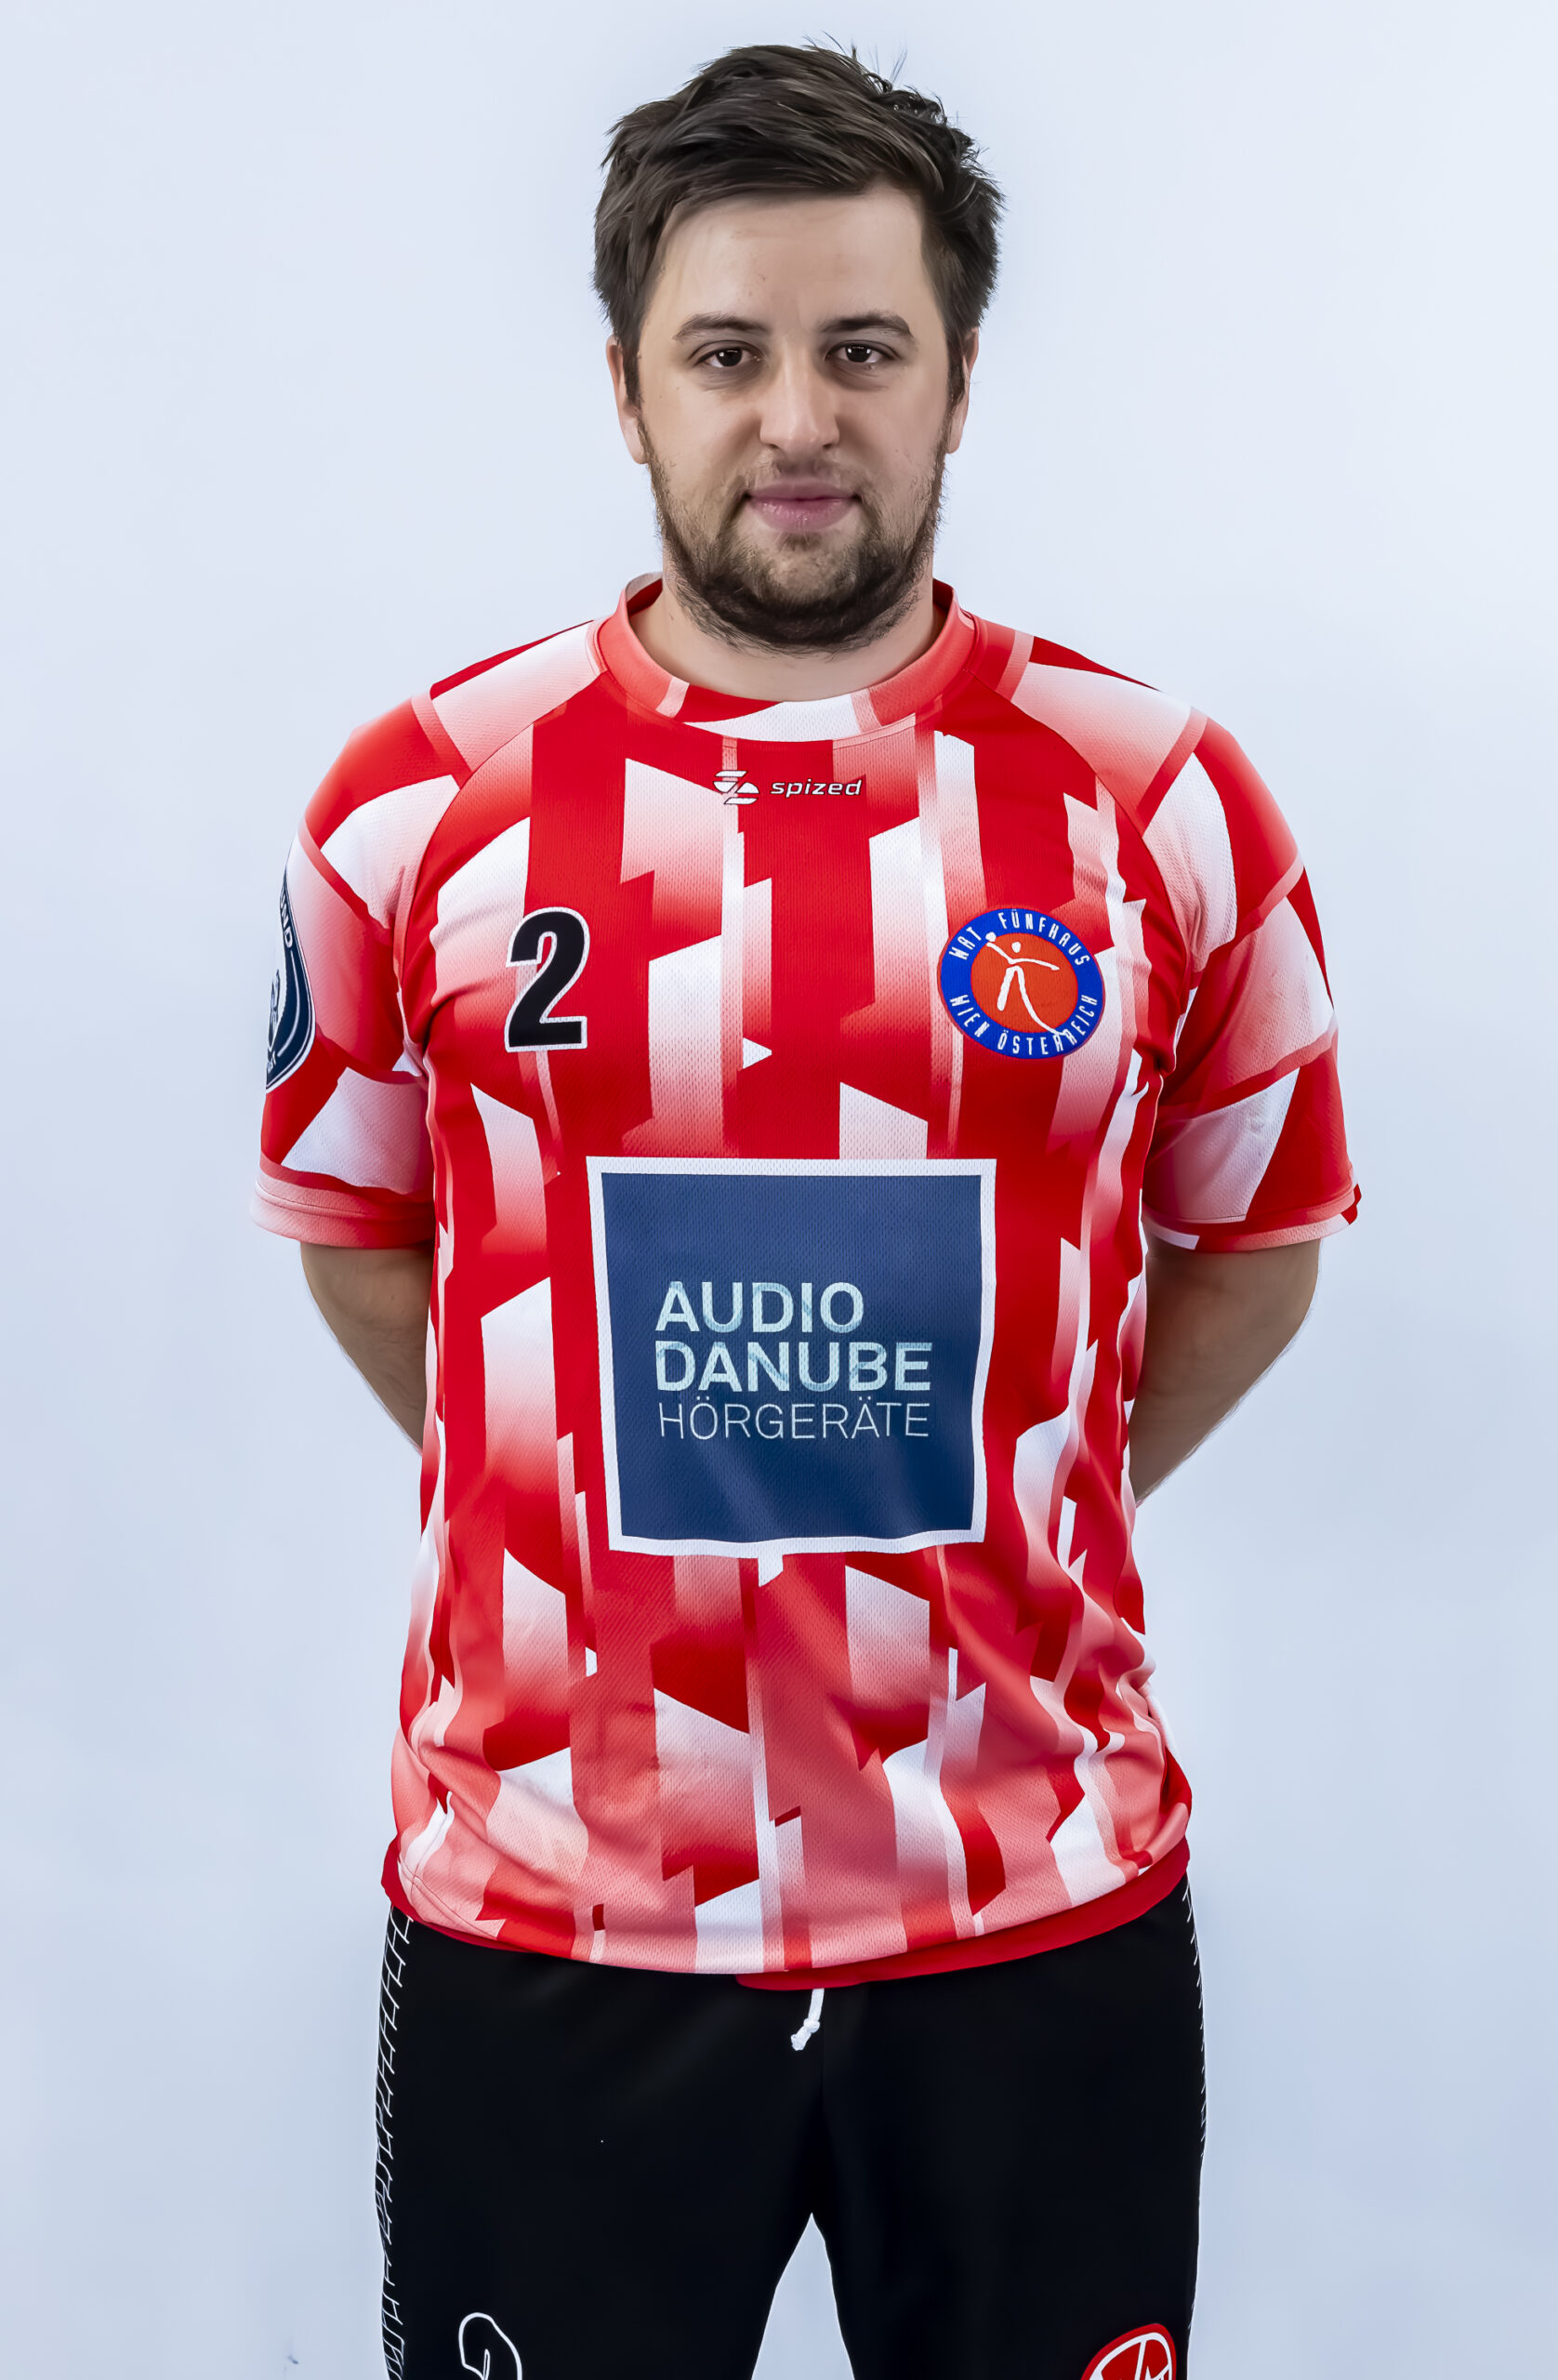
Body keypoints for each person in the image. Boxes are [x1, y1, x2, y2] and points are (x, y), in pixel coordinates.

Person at [253, 42, 1356, 2380]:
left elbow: (1251, 1249)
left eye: (862, 349)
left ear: (957, 377)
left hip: (1026, 1904)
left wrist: (1015, 1490)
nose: (794, 420)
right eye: (724, 352)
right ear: (625, 388)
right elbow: (361, 1234)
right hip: (555, 1911)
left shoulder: (1157, 803)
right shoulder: (419, 804)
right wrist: (575, 1500)